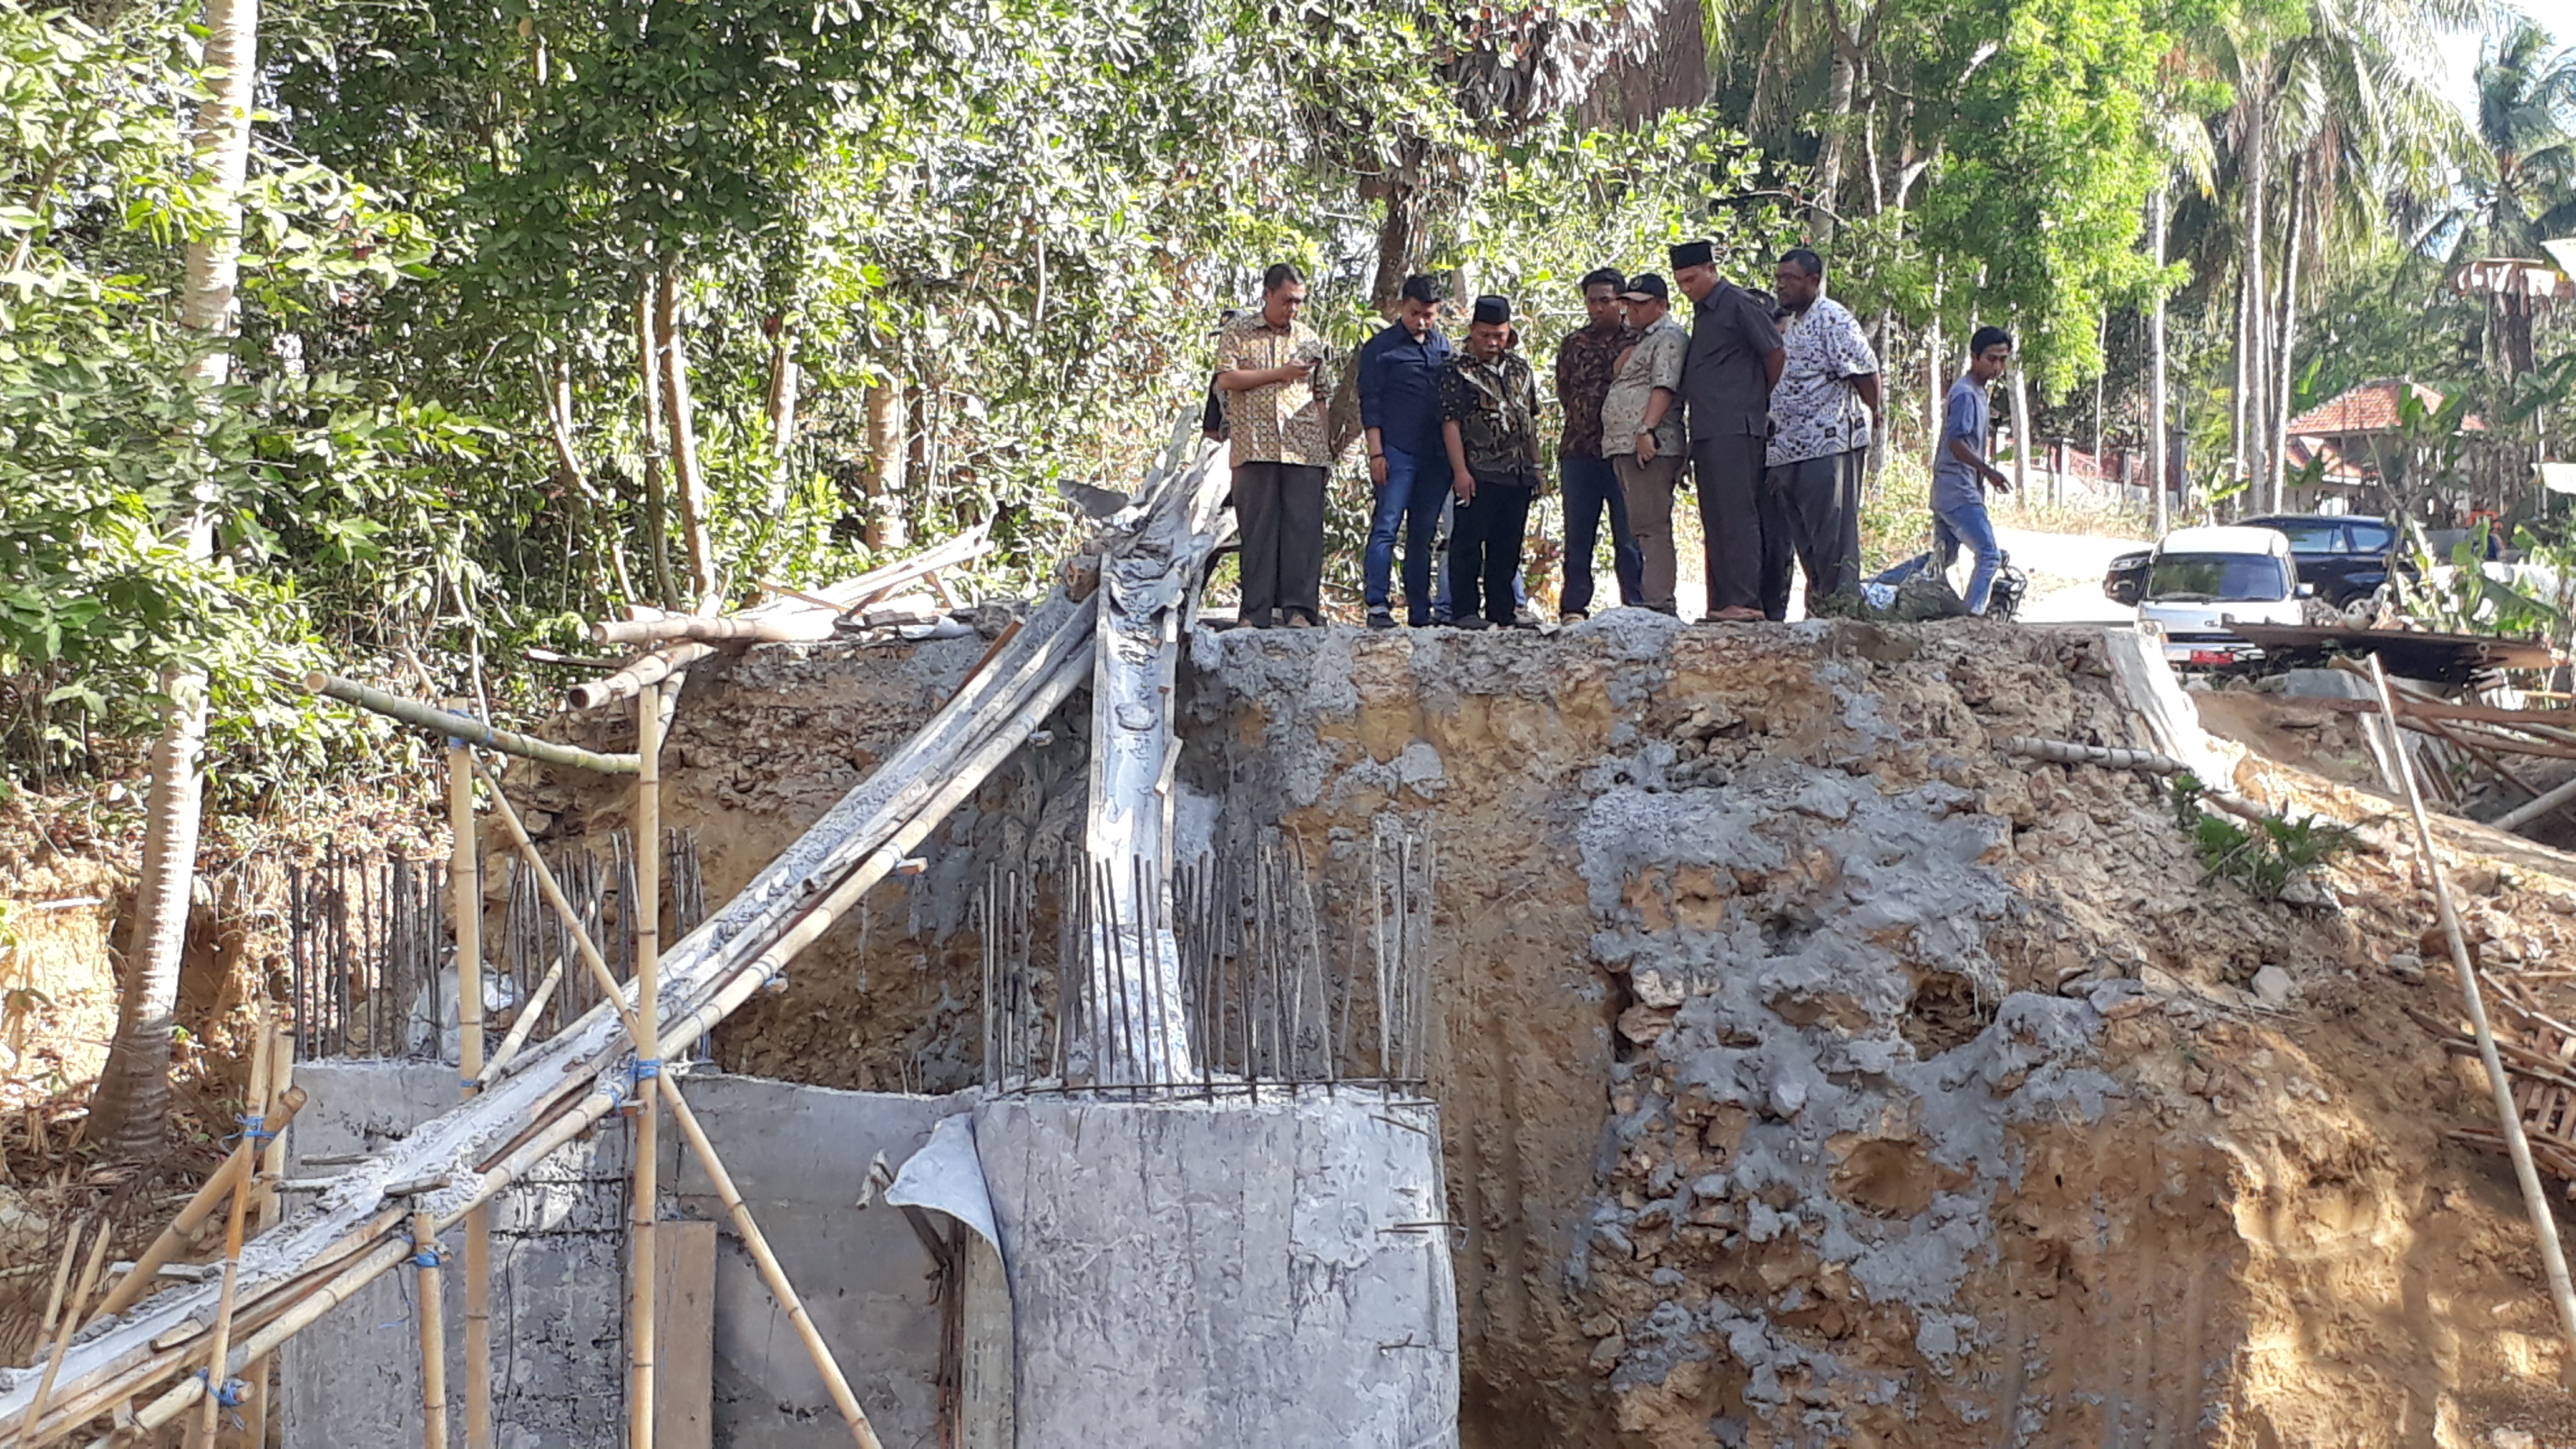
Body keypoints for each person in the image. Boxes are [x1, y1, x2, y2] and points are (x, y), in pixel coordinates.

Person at [1761, 248, 1880, 618]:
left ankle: (1843, 619)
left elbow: (1866, 375)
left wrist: (1873, 416)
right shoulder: (1790, 323)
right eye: (1779, 278)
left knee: (1834, 545)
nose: (1782, 285)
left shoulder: (1833, 319)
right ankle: (1819, 615)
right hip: (1789, 451)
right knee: (1807, 547)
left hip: (1828, 448)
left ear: (1814, 281)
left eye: (1791, 279)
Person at [1672, 239, 1784, 622]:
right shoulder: (1703, 312)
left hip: (1736, 425)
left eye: (1691, 279)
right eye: (1680, 283)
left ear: (1710, 270)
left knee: (1737, 514)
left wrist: (1754, 399)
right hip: (1707, 428)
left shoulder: (1737, 303)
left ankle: (1745, 599)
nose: (1687, 289)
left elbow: (1774, 352)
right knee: (1715, 517)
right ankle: (1722, 603)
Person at [1215, 265, 1331, 628]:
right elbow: (1226, 379)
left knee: (1303, 529)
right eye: (1286, 301)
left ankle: (1299, 611)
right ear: (1267, 294)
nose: (1292, 309)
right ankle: (1254, 613)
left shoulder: (1310, 339)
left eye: (1299, 302)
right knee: (1258, 530)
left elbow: (1321, 396)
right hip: (1254, 447)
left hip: (1304, 448)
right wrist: (1279, 374)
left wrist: (1325, 450)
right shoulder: (1239, 333)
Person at [1438, 295, 1543, 630]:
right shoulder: (1456, 370)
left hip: (1517, 471)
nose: (1492, 342)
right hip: (1478, 470)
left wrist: (1537, 467)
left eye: (1498, 335)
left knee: (1507, 544)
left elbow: (1530, 420)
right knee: (1468, 544)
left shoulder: (1519, 370)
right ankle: (1465, 611)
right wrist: (1460, 472)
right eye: (1485, 335)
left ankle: (1503, 610)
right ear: (1473, 332)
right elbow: (1450, 422)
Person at [1357, 275, 1455, 628]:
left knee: (1424, 534)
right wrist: (1376, 453)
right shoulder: (1380, 349)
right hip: (1396, 452)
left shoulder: (1444, 349)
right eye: (1415, 313)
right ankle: (1378, 606)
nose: (1422, 321)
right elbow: (1371, 403)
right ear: (1402, 306)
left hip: (1436, 458)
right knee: (1386, 527)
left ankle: (1419, 610)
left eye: (1429, 315)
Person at [1553, 268, 1644, 621]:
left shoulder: (1637, 342)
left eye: (1605, 301)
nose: (1597, 308)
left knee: (1629, 534)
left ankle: (1636, 606)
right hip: (1580, 452)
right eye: (1591, 301)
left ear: (1621, 303)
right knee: (1579, 534)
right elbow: (1565, 390)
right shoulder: (1574, 344)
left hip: (1624, 453)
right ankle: (1575, 606)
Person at [1600, 273, 1689, 614]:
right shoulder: (1642, 340)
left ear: (1661, 306)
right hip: (1623, 444)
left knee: (1652, 526)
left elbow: (1664, 386)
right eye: (1628, 304)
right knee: (1639, 526)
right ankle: (1650, 600)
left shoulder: (1669, 337)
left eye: (1639, 305)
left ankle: (1659, 601)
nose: (1630, 312)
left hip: (1650, 444)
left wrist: (1646, 429)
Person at [1934, 326, 2015, 615]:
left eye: (2003, 360)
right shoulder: (1966, 394)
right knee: (1989, 555)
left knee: (1941, 560)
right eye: (1992, 359)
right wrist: (1988, 471)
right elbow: (1956, 443)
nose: (1997, 367)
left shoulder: (1978, 392)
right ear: (1974, 357)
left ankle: (1882, 588)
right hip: (1958, 490)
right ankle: (1971, 617)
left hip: (1952, 489)